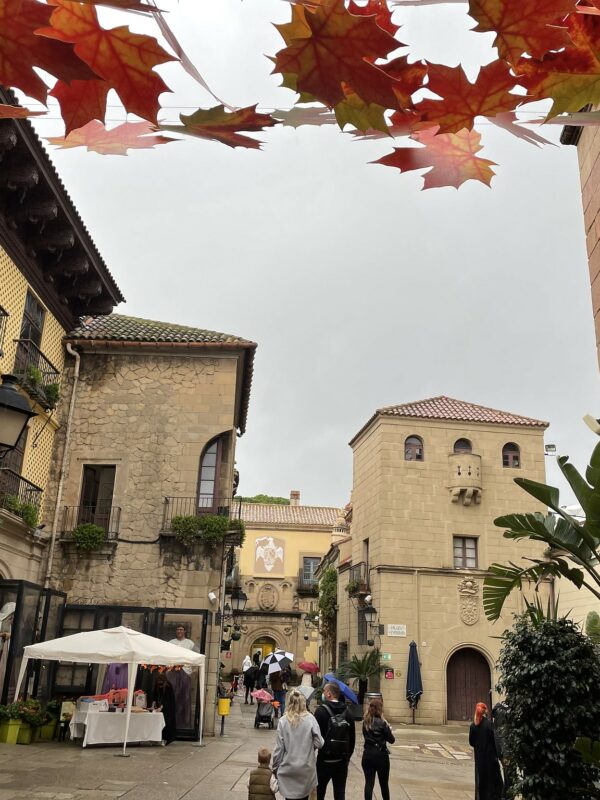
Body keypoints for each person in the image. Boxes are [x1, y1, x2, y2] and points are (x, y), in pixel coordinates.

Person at [272, 688, 324, 800]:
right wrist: (310, 745)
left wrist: (275, 767)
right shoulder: (310, 719)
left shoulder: (283, 721)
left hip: (288, 768)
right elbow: (320, 743)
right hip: (306, 768)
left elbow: (279, 749)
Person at [314, 683, 355, 800]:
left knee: (320, 792)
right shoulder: (348, 713)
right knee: (340, 793)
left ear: (328, 694)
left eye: (323, 691)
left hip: (324, 760)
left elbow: (315, 736)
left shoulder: (320, 711)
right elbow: (352, 739)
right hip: (341, 761)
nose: (322, 694)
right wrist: (347, 758)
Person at [361, 697, 395, 800]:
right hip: (381, 756)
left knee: (369, 783)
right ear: (380, 709)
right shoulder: (383, 723)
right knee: (384, 784)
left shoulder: (365, 723)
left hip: (368, 755)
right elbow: (392, 740)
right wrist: (389, 729)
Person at [469, 702, 504, 800]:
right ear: (485, 711)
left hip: (479, 759)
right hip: (490, 759)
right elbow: (495, 741)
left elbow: (471, 742)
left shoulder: (473, 726)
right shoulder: (489, 725)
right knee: (493, 783)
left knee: (481, 782)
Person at [167, 624, 197, 730]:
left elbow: (196, 658)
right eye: (177, 629)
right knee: (173, 696)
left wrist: (192, 671)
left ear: (184, 631)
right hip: (173, 672)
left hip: (185, 672)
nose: (179, 631)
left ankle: (185, 724)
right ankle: (171, 722)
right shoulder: (171, 643)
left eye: (181, 629)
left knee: (185, 698)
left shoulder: (190, 643)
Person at [492, 702, 513, 800]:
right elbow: (504, 739)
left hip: (500, 751)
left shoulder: (496, 720)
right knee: (509, 776)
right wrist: (506, 755)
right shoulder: (505, 718)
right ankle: (506, 796)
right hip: (505, 752)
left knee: (506, 774)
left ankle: (504, 796)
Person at [149, 671, 177, 745]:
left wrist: (161, 707)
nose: (160, 686)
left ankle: (166, 739)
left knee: (167, 722)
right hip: (159, 706)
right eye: (159, 684)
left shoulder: (168, 686)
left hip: (168, 708)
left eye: (161, 684)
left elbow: (167, 700)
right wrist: (153, 703)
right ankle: (157, 738)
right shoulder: (157, 685)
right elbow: (154, 695)